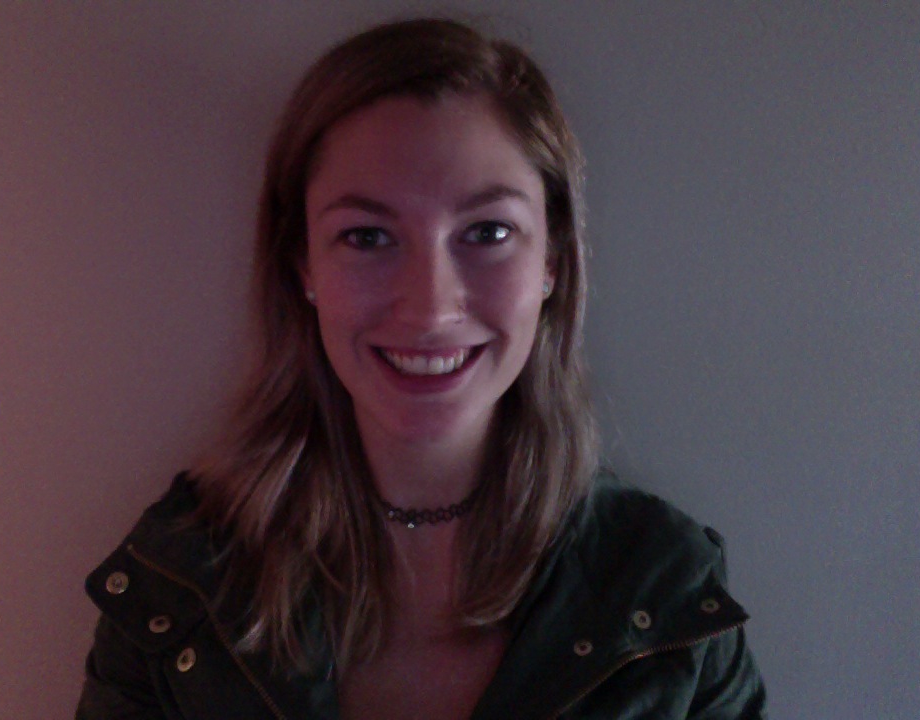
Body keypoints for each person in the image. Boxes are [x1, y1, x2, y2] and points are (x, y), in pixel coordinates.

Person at [75, 17, 766, 720]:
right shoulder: (179, 581)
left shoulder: (666, 593)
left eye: (488, 232)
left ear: (553, 261)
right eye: (367, 236)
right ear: (303, 264)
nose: (431, 308)